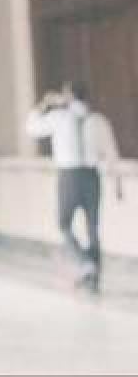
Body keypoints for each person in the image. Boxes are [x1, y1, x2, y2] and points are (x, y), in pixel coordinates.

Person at [25, 80, 123, 293]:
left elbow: (31, 128)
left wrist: (44, 104)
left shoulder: (58, 118)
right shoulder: (98, 121)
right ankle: (93, 275)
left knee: (63, 223)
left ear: (68, 96)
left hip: (69, 176)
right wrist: (117, 183)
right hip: (91, 177)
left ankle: (85, 264)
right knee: (93, 227)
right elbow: (111, 153)